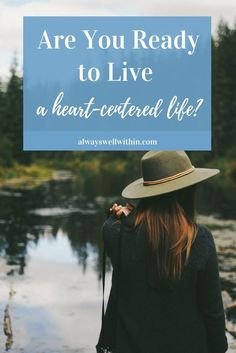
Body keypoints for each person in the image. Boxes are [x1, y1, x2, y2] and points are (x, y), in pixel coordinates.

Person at [96, 151, 228, 353]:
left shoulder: (116, 234)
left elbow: (111, 225)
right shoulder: (200, 240)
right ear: (187, 191)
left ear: (146, 193)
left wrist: (128, 215)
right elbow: (213, 314)